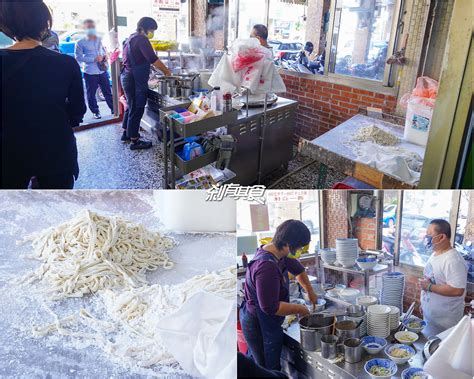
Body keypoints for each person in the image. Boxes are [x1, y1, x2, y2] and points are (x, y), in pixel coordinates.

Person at [1, 1, 86, 189]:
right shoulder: (66, 63)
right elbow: (78, 111)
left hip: (8, 153)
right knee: (56, 210)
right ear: (44, 23)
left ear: (5, 24)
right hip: (55, 151)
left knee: (9, 212)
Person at [239, 220, 317, 371]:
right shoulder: (266, 267)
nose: (300, 250)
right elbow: (270, 307)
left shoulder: (277, 252)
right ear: (288, 243)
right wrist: (301, 309)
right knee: (266, 369)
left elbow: (299, 271)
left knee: (268, 364)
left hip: (266, 320)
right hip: (258, 324)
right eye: (300, 246)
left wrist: (310, 291)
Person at [121, 17, 171, 150]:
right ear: (145, 28)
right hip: (134, 79)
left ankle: (126, 133)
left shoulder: (132, 37)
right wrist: (167, 71)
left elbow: (139, 59)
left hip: (128, 76)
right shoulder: (142, 39)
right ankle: (135, 141)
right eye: (152, 30)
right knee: (137, 108)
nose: (152, 33)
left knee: (131, 106)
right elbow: (153, 58)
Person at [419, 219, 468, 331]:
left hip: (445, 324)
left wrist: (429, 287)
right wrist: (424, 304)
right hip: (431, 318)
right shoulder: (435, 253)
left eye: (430, 235)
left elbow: (457, 290)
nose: (426, 237)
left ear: (442, 237)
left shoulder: (453, 260)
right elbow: (431, 278)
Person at [75, 19, 114, 119]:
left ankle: (114, 109)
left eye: (93, 27)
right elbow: (78, 57)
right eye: (89, 27)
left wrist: (104, 56)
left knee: (107, 91)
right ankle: (95, 112)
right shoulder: (80, 42)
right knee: (91, 94)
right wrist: (93, 59)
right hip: (90, 72)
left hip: (102, 70)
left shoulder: (99, 39)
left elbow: (102, 51)